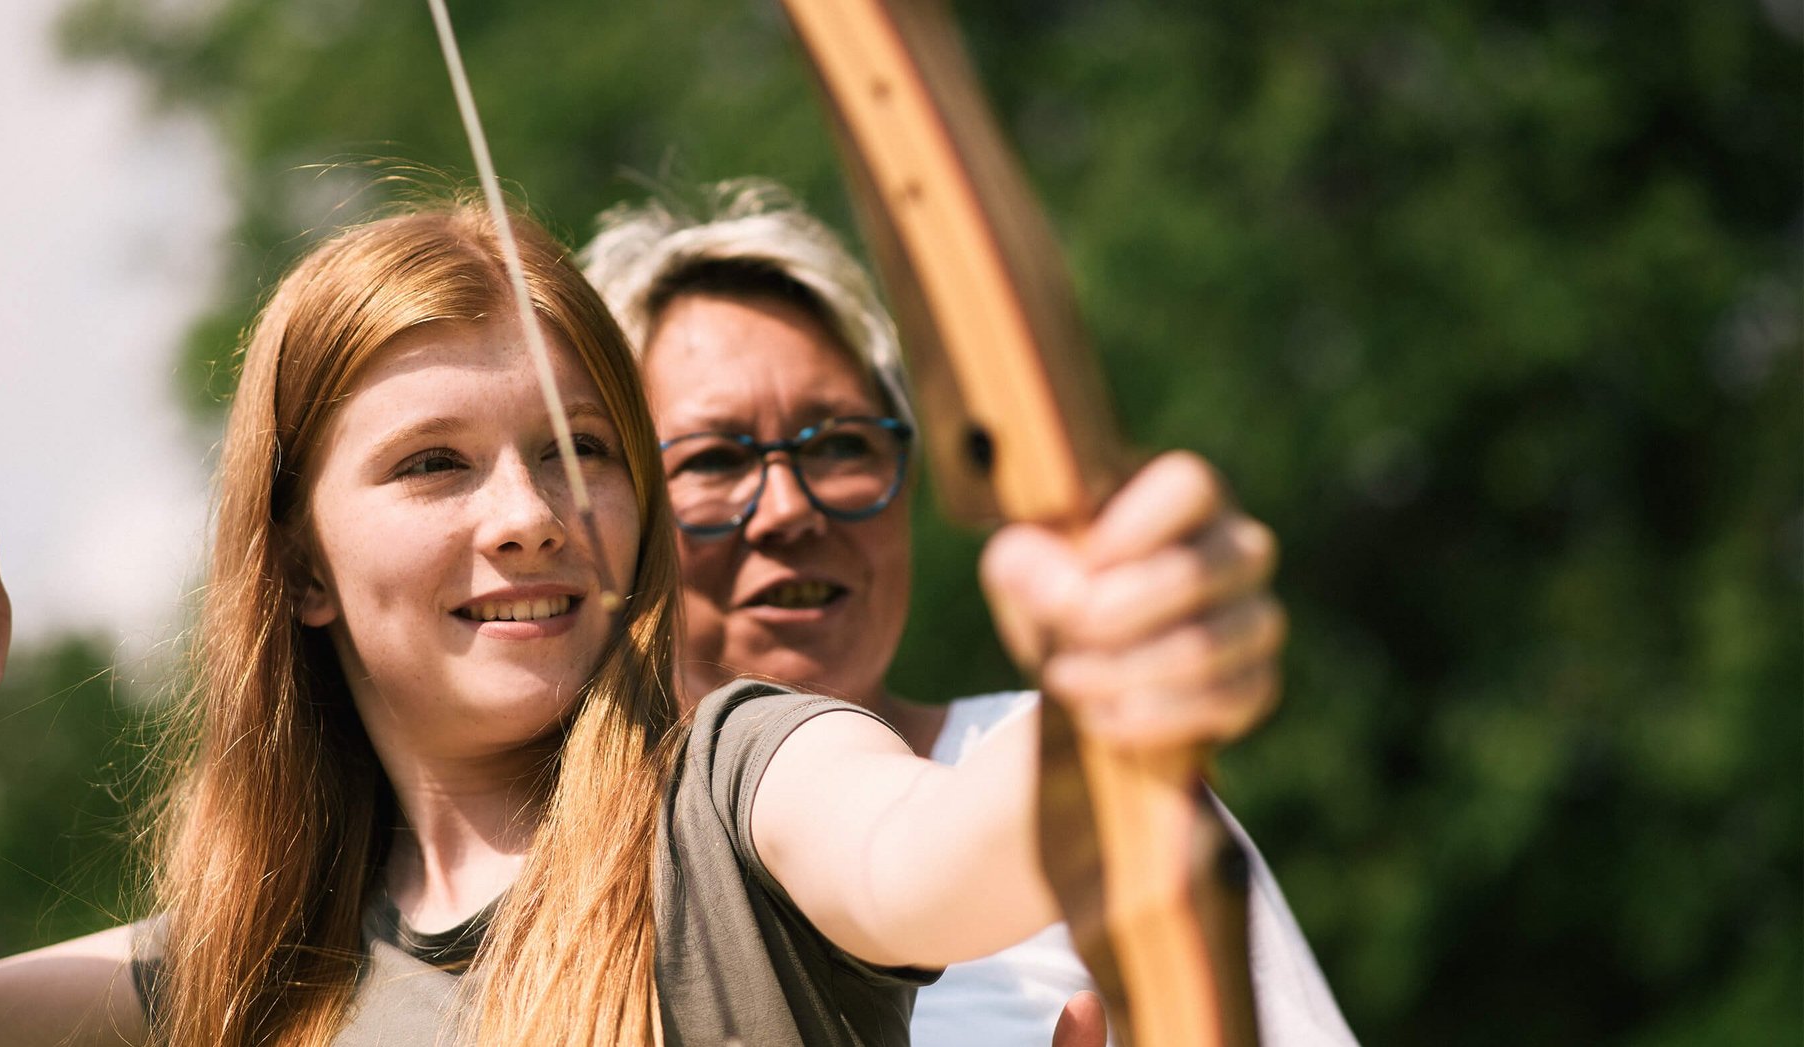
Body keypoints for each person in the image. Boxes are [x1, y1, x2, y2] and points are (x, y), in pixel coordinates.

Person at [0, 196, 1284, 1047]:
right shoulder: (256, 953)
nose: (529, 511)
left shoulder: (739, 775)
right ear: (302, 566)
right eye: (433, 461)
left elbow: (941, 858)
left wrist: (1114, 690)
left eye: (580, 451)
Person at [580, 179, 1360, 1047]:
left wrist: (1133, 672)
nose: (790, 509)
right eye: (716, 458)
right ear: (609, 507)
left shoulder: (1066, 760)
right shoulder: (543, 875)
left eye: (842, 444)